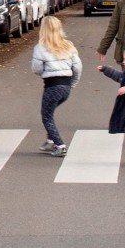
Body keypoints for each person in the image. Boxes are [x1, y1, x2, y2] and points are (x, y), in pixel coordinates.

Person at [30, 16, 81, 157]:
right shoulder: (68, 45)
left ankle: (60, 145)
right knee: (50, 112)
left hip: (52, 86)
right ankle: (50, 141)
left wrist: (45, 71)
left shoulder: (40, 48)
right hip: (66, 87)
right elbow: (78, 67)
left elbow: (36, 69)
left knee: (46, 116)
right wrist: (73, 83)